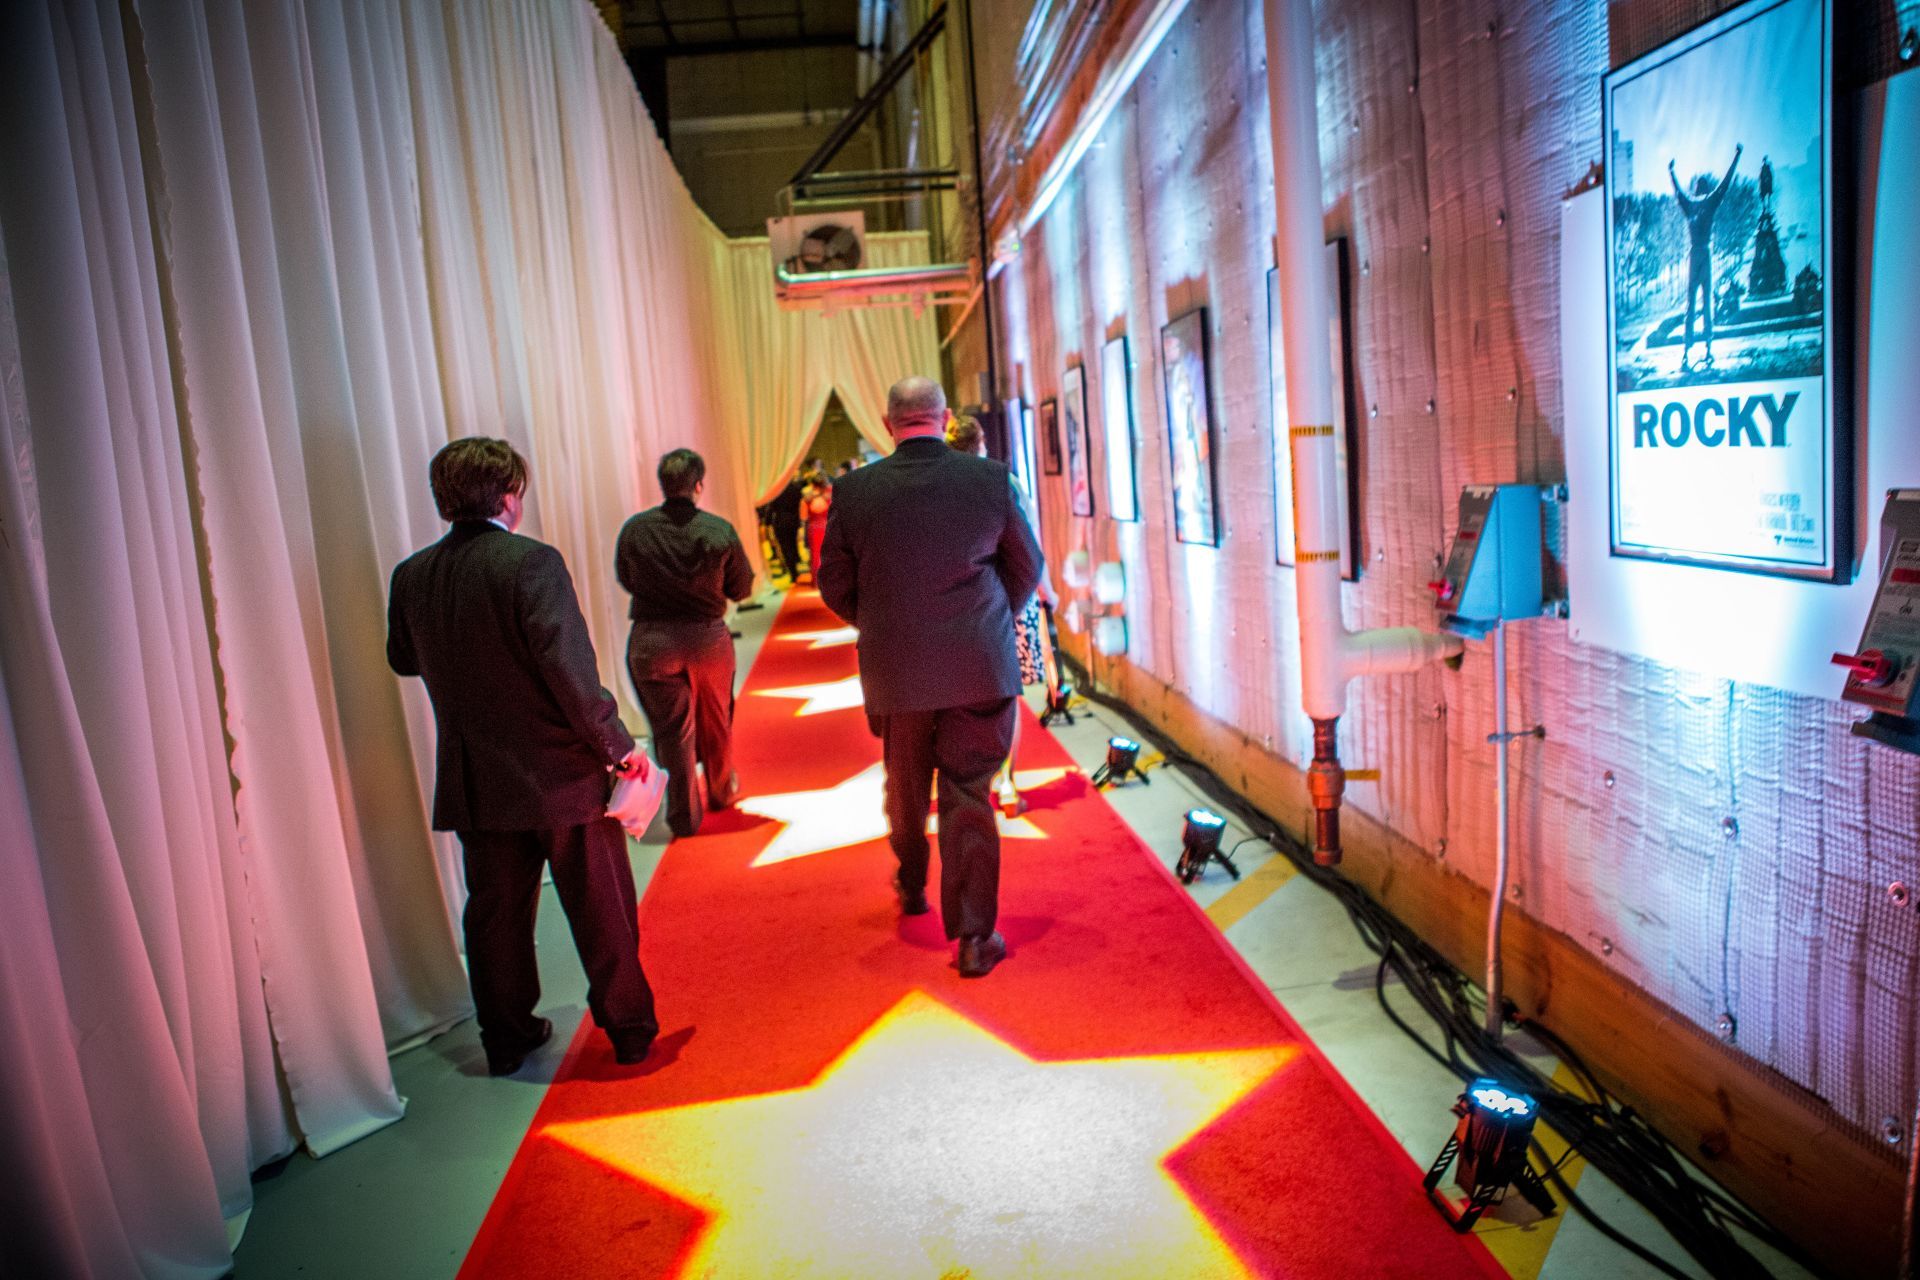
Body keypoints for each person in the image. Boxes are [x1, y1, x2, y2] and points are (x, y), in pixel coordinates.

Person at [387, 437, 657, 1074]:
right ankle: (630, 1030)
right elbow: (570, 673)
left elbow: (403, 659)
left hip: (476, 778)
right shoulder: (530, 562)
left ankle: (506, 1040)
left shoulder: (412, 575)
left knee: (496, 919)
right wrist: (619, 751)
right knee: (601, 908)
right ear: (510, 496)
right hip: (559, 773)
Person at [817, 377, 1043, 979]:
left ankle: (913, 882)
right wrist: (986, 619)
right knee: (969, 793)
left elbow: (834, 584)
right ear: (944, 418)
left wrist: (885, 623)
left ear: (889, 424)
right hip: (978, 665)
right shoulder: (988, 480)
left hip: (898, 672)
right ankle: (974, 937)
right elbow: (1026, 568)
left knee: (907, 788)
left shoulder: (855, 493)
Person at [617, 449, 755, 839]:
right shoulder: (717, 529)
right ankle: (721, 790)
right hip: (707, 638)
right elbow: (741, 587)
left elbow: (626, 578)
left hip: (653, 638)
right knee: (716, 717)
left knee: (672, 728)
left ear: (663, 484)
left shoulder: (636, 530)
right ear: (699, 485)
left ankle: (684, 815)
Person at [945, 414, 1057, 816]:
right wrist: (1048, 593)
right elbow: (1030, 546)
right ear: (982, 446)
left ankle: (969, 779)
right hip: (1009, 601)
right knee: (1007, 697)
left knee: (962, 698)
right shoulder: (1003, 483)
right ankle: (1006, 783)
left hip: (960, 607)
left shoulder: (941, 490)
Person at [1667, 143, 1742, 371]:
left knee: (1695, 304)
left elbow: (1680, 191)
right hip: (1701, 254)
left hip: (1697, 253)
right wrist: (1737, 156)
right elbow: (1725, 183)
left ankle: (1692, 350)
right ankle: (1703, 348)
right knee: (1701, 303)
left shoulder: (1694, 204)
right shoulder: (1705, 203)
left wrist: (1671, 172)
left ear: (1698, 188)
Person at [763, 475, 804, 583]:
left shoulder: (777, 490)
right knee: (793, 544)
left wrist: (767, 522)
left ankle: (793, 572)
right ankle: (795, 565)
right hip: (794, 520)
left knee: (785, 547)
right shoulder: (796, 488)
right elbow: (800, 504)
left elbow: (771, 507)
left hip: (780, 521)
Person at [800, 465, 833, 584]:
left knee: (815, 554)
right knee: (830, 554)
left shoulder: (806, 498)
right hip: (829, 528)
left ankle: (817, 581)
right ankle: (830, 579)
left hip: (813, 528)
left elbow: (803, 517)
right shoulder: (829, 496)